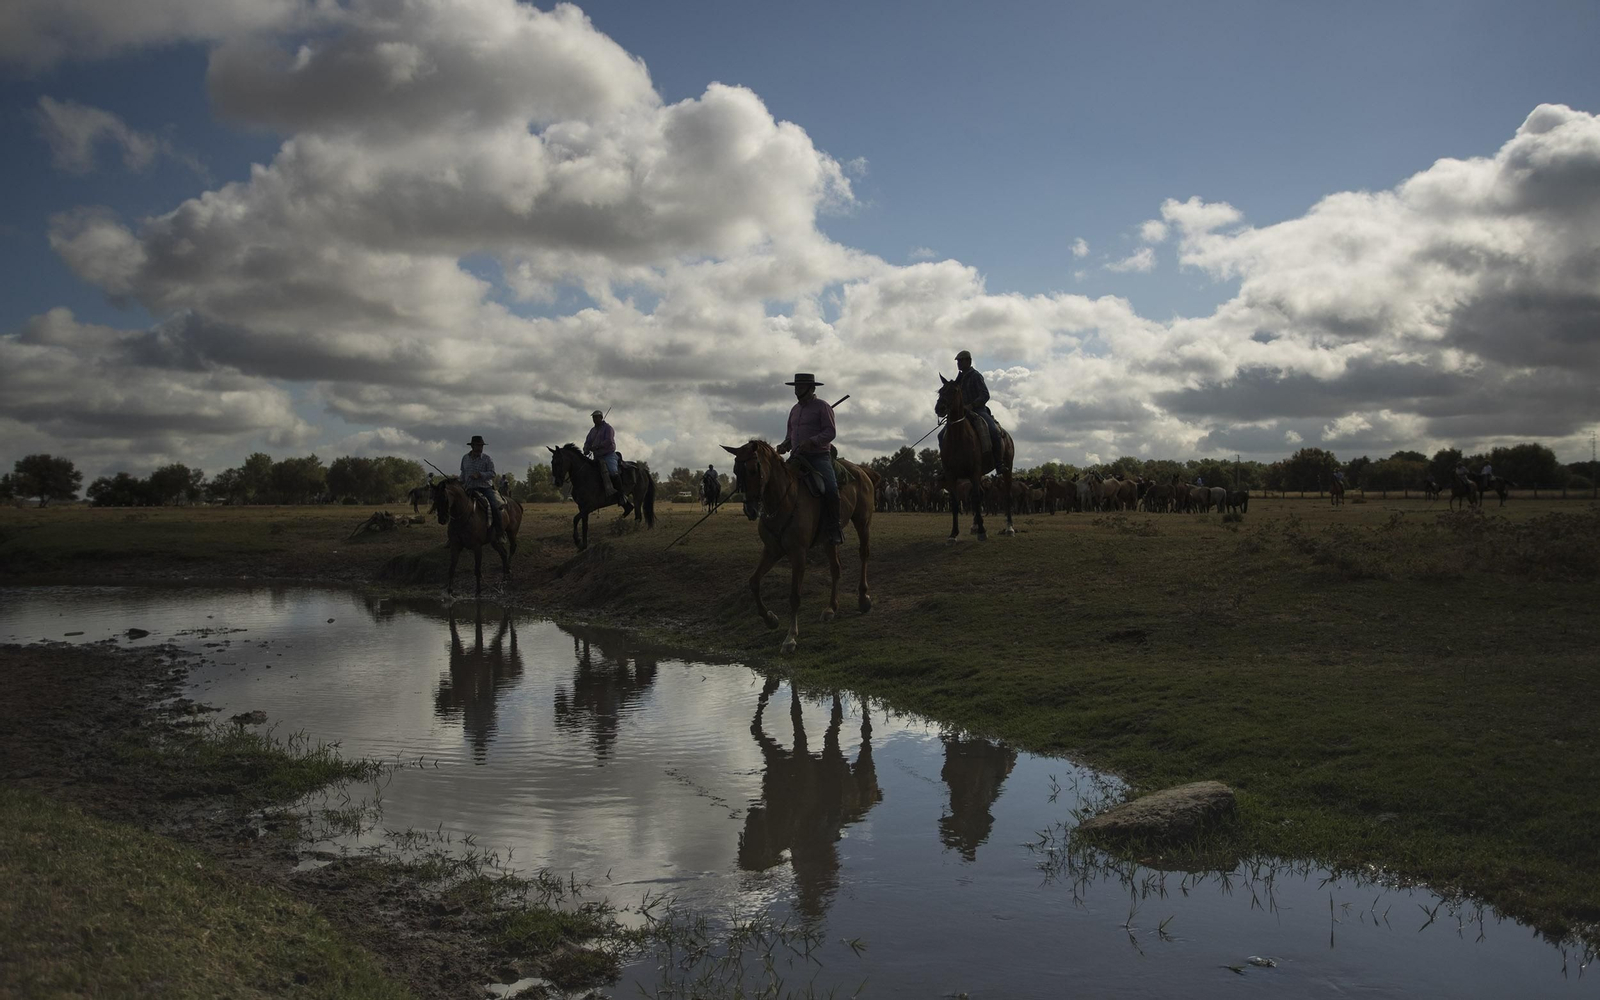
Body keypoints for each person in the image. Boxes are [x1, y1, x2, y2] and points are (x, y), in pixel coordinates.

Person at [775, 372, 843, 545]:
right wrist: (784, 445)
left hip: (819, 456)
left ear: (811, 388)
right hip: (797, 456)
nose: (797, 390)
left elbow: (830, 432)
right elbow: (790, 435)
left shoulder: (823, 407)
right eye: (796, 386)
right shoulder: (794, 410)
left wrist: (812, 441)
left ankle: (834, 528)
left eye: (801, 386)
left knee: (831, 489)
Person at [950, 350, 1000, 457]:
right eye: (958, 361)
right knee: (942, 435)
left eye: (961, 360)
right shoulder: (959, 380)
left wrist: (972, 405)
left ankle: (998, 461)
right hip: (962, 413)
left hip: (978, 410)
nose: (958, 363)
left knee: (993, 430)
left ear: (969, 361)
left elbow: (985, 395)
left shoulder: (976, 376)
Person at [460, 435, 504, 541]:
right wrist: (458, 481)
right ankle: (454, 535)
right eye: (478, 445)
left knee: (494, 506)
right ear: (472, 446)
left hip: (485, 488)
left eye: (481, 445)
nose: (480, 448)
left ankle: (500, 533)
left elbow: (492, 473)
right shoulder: (465, 458)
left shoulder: (487, 459)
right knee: (457, 506)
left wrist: (480, 474)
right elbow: (463, 474)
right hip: (469, 488)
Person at [583, 409, 625, 501]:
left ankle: (621, 495)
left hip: (608, 455)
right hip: (597, 457)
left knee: (613, 472)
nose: (594, 419)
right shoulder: (592, 431)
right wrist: (586, 449)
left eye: (596, 417)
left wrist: (597, 446)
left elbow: (609, 440)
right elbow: (587, 442)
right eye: (593, 418)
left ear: (601, 418)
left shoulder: (608, 428)